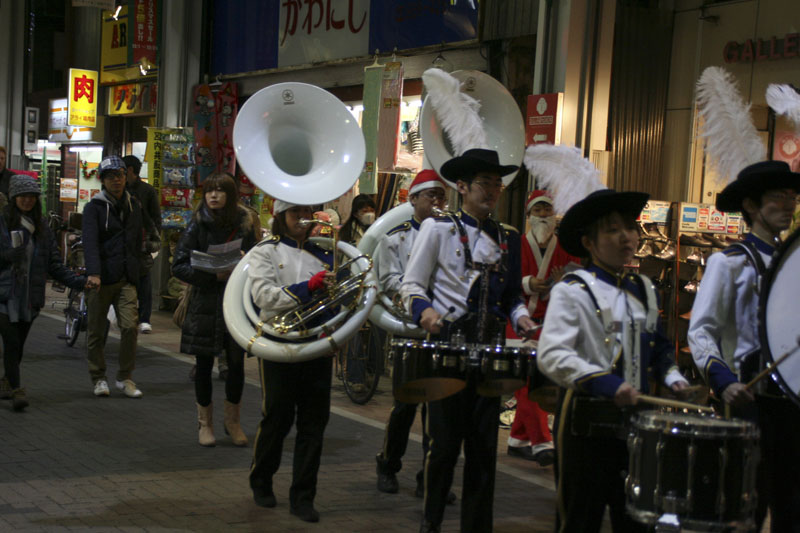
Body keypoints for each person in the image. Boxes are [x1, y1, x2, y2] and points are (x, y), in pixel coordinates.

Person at [400, 149, 538, 533]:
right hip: (446, 352)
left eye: (498, 184)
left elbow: (510, 295)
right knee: (442, 447)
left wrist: (521, 317)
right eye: (485, 182)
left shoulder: (507, 237)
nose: (493, 190)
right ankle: (431, 522)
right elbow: (411, 284)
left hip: (490, 359)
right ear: (461, 187)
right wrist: (424, 312)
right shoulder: (438, 229)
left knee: (483, 453)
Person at [536, 188, 689, 532]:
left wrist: (675, 380)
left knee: (638, 520)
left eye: (630, 228)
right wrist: (608, 383)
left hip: (637, 426)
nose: (627, 237)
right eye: (612, 230)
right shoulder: (572, 289)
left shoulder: (645, 288)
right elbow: (552, 354)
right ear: (589, 242)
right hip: (585, 425)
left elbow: (660, 348)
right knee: (579, 519)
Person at [688, 160, 800, 532]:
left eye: (792, 196)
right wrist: (723, 381)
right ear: (751, 206)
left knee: (793, 508)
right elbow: (702, 330)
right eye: (778, 197)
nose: (789, 204)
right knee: (745, 510)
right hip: (749, 402)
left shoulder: (794, 263)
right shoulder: (729, 263)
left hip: (793, 405)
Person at [248, 199, 337, 523]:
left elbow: (337, 297)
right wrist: (307, 288)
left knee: (314, 423)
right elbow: (264, 296)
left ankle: (303, 496)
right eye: (295, 212)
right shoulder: (265, 251)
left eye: (306, 212)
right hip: (280, 344)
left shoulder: (326, 253)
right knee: (278, 416)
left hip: (315, 344)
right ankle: (261, 479)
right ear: (280, 216)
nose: (302, 218)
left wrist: (335, 330)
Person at [374, 170, 456, 502]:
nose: (437, 202)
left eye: (441, 196)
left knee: (437, 411)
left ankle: (430, 477)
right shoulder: (394, 238)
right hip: (411, 327)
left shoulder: (454, 235)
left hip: (444, 329)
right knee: (405, 406)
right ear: (413, 200)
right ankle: (388, 465)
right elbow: (389, 280)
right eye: (430, 196)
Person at [172, 173, 258, 447]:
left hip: (235, 302)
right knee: (204, 364)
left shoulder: (244, 225)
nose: (214, 195)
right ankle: (204, 424)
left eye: (220, 190)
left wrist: (244, 262)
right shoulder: (196, 225)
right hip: (205, 303)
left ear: (230, 196)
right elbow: (179, 265)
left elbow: (258, 261)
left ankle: (232, 422)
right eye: (210, 190)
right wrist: (212, 276)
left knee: (235, 365)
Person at [505, 191, 580, 466]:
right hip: (519, 322)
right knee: (527, 385)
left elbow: (578, 284)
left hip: (550, 324)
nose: (543, 215)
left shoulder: (566, 249)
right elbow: (507, 283)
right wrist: (527, 283)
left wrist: (563, 284)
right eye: (538, 211)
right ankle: (542, 442)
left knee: (536, 382)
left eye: (547, 210)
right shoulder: (517, 246)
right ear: (528, 216)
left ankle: (518, 439)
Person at [0, 175, 85, 410]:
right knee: (12, 341)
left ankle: (7, 381)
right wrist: (6, 256)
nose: (27, 200)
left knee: (17, 346)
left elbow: (54, 264)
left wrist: (79, 282)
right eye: (22, 196)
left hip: (30, 296)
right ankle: (18, 389)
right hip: (5, 294)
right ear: (14, 198)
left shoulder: (42, 228)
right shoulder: (3, 222)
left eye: (31, 197)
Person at [82, 155, 146, 399]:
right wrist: (94, 273)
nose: (116, 180)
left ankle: (125, 377)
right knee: (97, 331)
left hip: (126, 278)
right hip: (100, 280)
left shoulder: (134, 205)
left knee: (130, 326)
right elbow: (90, 243)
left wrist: (139, 266)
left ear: (125, 176)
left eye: (119, 175)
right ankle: (98, 378)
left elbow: (137, 239)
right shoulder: (93, 208)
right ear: (103, 180)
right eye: (110, 177)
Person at [339, 193, 377, 392]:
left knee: (378, 329)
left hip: (373, 285)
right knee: (354, 330)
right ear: (355, 213)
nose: (369, 214)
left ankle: (372, 368)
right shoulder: (345, 234)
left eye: (372, 210)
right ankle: (356, 376)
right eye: (365, 211)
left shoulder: (379, 231)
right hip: (350, 286)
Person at [122, 155, 161, 334]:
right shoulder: (118, 189)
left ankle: (144, 319)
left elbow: (156, 218)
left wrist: (153, 241)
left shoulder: (147, 191)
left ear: (130, 170)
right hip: (121, 242)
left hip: (142, 243)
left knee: (144, 280)